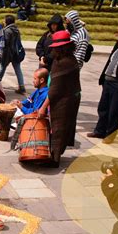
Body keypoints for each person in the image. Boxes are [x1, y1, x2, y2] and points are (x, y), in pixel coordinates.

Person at [38, 30, 81, 168]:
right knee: (63, 126)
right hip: (72, 96)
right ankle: (56, 153)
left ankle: (54, 159)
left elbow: (55, 90)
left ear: (62, 48)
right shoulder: (70, 59)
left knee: (58, 127)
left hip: (65, 99)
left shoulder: (62, 62)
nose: (53, 50)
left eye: (56, 47)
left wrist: (43, 107)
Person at [0, 15, 25, 94]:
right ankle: (21, 86)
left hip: (8, 53)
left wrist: (1, 30)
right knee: (18, 69)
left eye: (4, 20)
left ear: (7, 22)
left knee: (2, 68)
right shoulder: (16, 29)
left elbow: (5, 42)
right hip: (16, 53)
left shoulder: (7, 31)